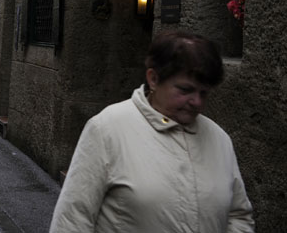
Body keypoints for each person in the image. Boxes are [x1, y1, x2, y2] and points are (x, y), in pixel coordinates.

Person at [49, 30, 254, 233]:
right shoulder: (107, 129)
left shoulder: (219, 139)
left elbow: (238, 215)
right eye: (185, 90)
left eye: (204, 93)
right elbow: (73, 218)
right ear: (153, 79)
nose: (197, 102)